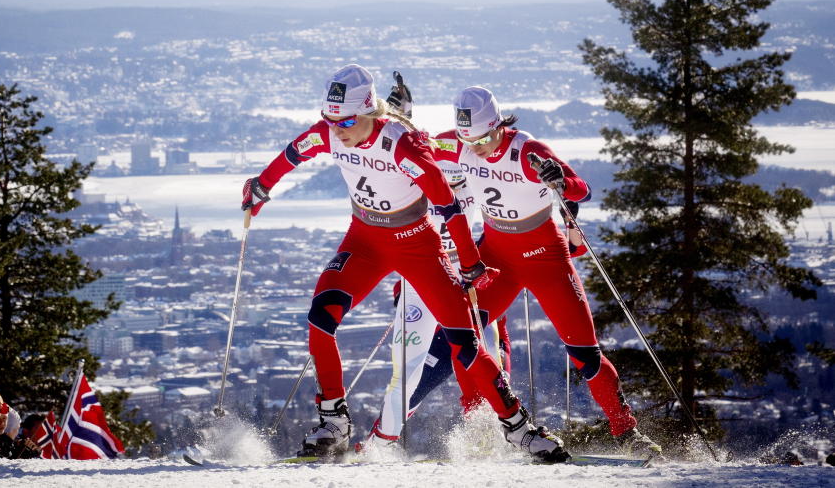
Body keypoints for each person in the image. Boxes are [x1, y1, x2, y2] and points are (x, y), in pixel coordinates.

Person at [242, 64, 568, 462]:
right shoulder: (329, 131)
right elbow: (294, 153)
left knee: (464, 343)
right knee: (319, 319)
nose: (337, 128)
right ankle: (334, 422)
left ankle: (520, 430)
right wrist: (261, 186)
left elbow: (448, 205)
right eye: (331, 118)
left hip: (418, 248)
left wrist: (470, 262)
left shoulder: (401, 143)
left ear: (368, 112)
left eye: (346, 119)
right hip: (365, 242)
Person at [433, 86, 661, 459]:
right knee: (464, 343)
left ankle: (627, 432)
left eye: (486, 138)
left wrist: (559, 178)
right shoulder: (457, 144)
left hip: (546, 258)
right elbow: (414, 148)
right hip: (496, 258)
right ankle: (492, 425)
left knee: (585, 354)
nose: (477, 148)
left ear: (499, 125)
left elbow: (581, 190)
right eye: (467, 139)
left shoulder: (528, 151)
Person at [362, 159, 510, 449]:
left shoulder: (475, 196)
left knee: (487, 372)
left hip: (469, 305)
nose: (449, 192)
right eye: (444, 184)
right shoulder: (414, 195)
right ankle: (376, 446)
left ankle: (491, 445)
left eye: (455, 184)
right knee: (413, 381)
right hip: (428, 303)